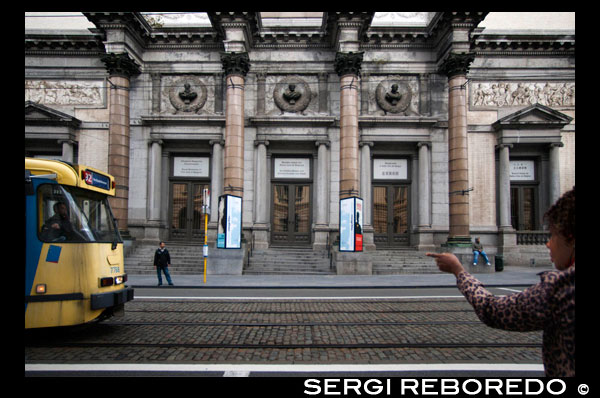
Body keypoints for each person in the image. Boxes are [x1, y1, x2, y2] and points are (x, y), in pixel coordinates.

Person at [426, 187, 575, 377]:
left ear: (570, 239)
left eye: (553, 235)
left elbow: (493, 310)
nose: (548, 243)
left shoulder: (562, 289)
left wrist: (458, 271)